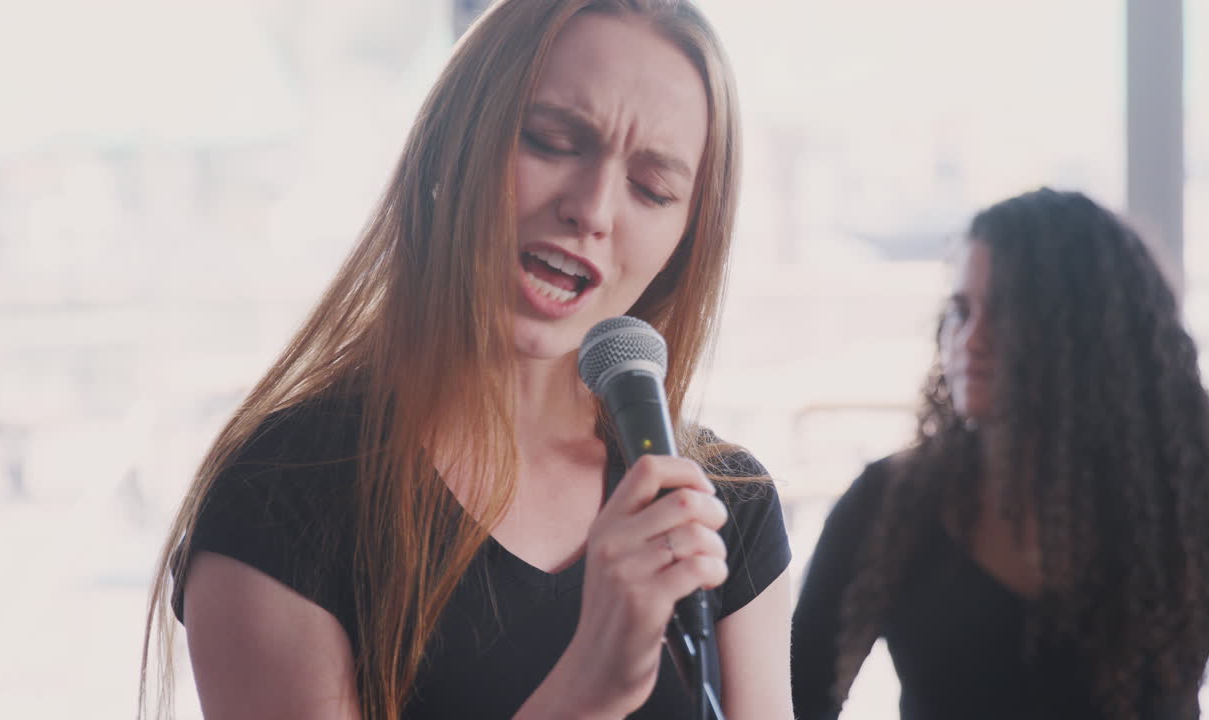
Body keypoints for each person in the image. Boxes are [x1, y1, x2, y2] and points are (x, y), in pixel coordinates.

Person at [137, 1, 794, 719]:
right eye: (550, 140)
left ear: (687, 239)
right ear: (454, 139)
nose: (594, 208)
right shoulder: (282, 497)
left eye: (652, 188)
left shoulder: (723, 507)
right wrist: (590, 686)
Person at [790, 188, 1209, 720]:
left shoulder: (1204, 501)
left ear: (1084, 334)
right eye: (960, 311)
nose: (970, 340)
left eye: (1006, 313)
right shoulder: (891, 501)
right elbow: (792, 700)